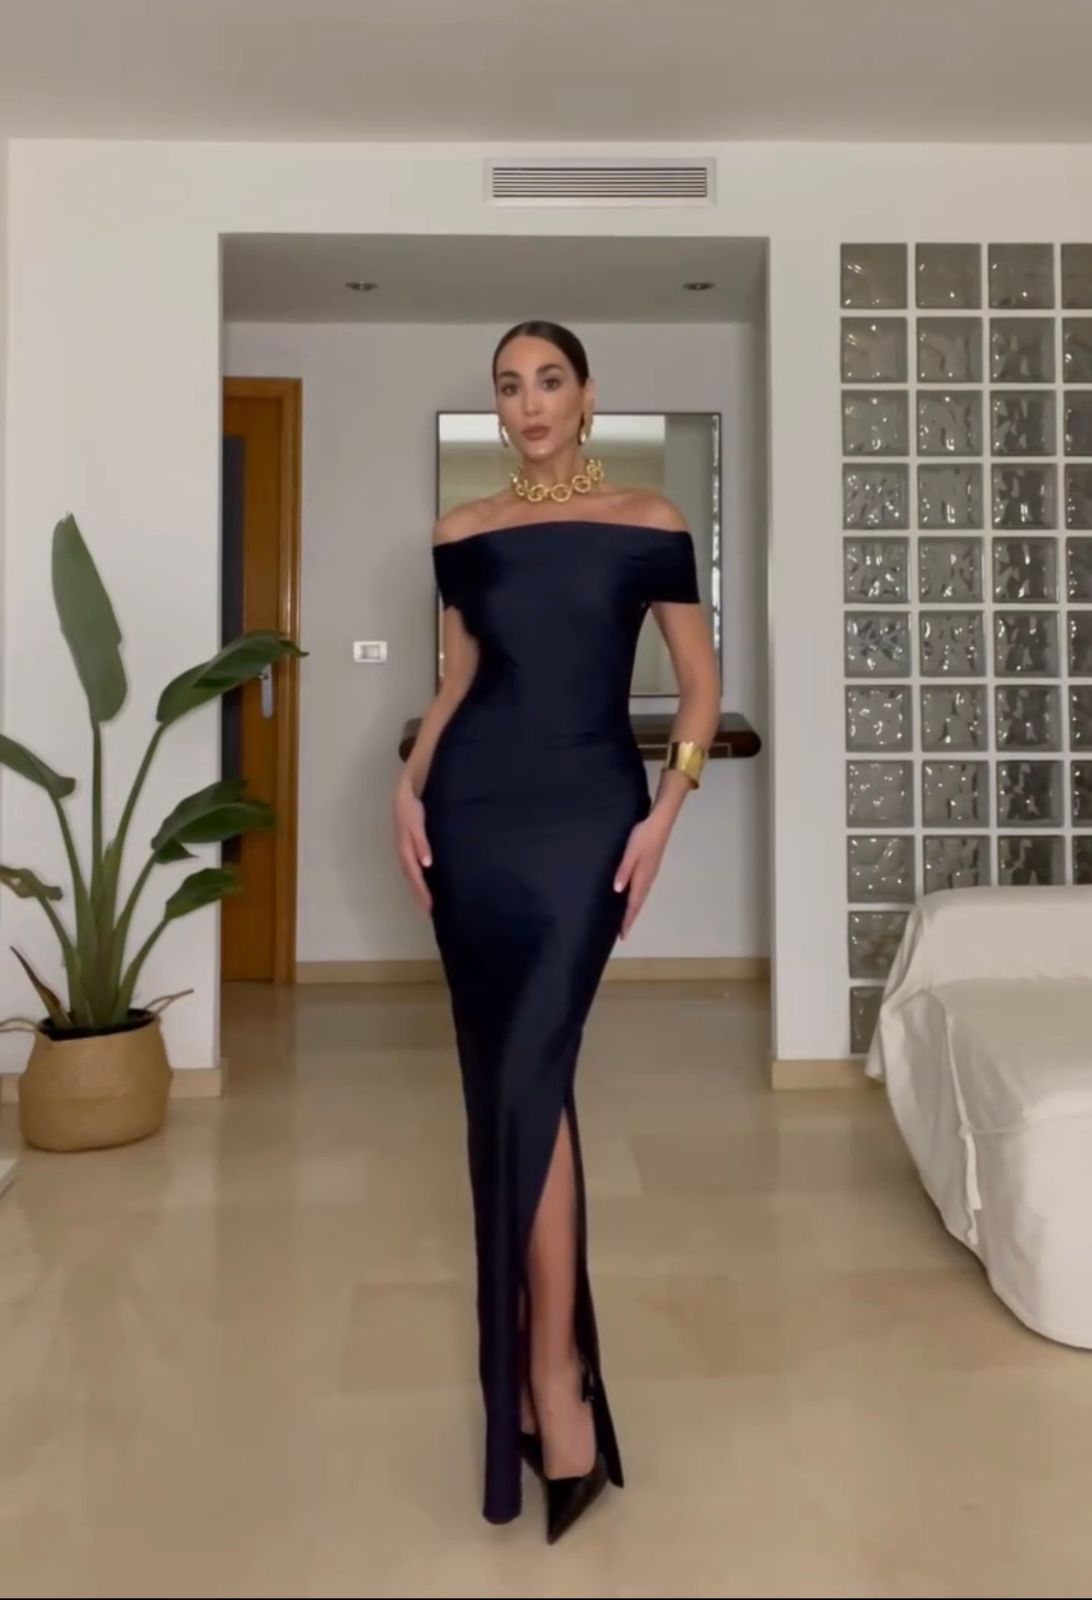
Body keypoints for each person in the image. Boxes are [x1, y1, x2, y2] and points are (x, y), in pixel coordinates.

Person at [393, 320, 720, 1542]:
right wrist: (406, 787)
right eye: (509, 386)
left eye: (549, 381)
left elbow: (701, 686)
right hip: (470, 813)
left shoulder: (651, 521)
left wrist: (667, 812)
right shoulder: (461, 533)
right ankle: (550, 1377)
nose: (529, 403)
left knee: (531, 1070)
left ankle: (553, 1375)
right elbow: (455, 682)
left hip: (589, 816)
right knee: (515, 1082)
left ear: (587, 395)